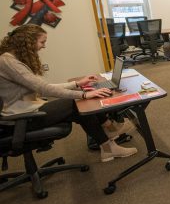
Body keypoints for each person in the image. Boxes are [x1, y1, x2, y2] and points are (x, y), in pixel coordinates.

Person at [0, 24, 138, 162]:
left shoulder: (11, 59)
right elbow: (44, 89)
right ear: (27, 41)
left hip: (25, 111)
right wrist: (83, 94)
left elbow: (43, 86)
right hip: (19, 119)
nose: (44, 46)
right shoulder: (8, 62)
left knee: (80, 105)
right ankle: (110, 133)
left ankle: (109, 143)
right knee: (77, 103)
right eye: (42, 42)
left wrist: (77, 84)